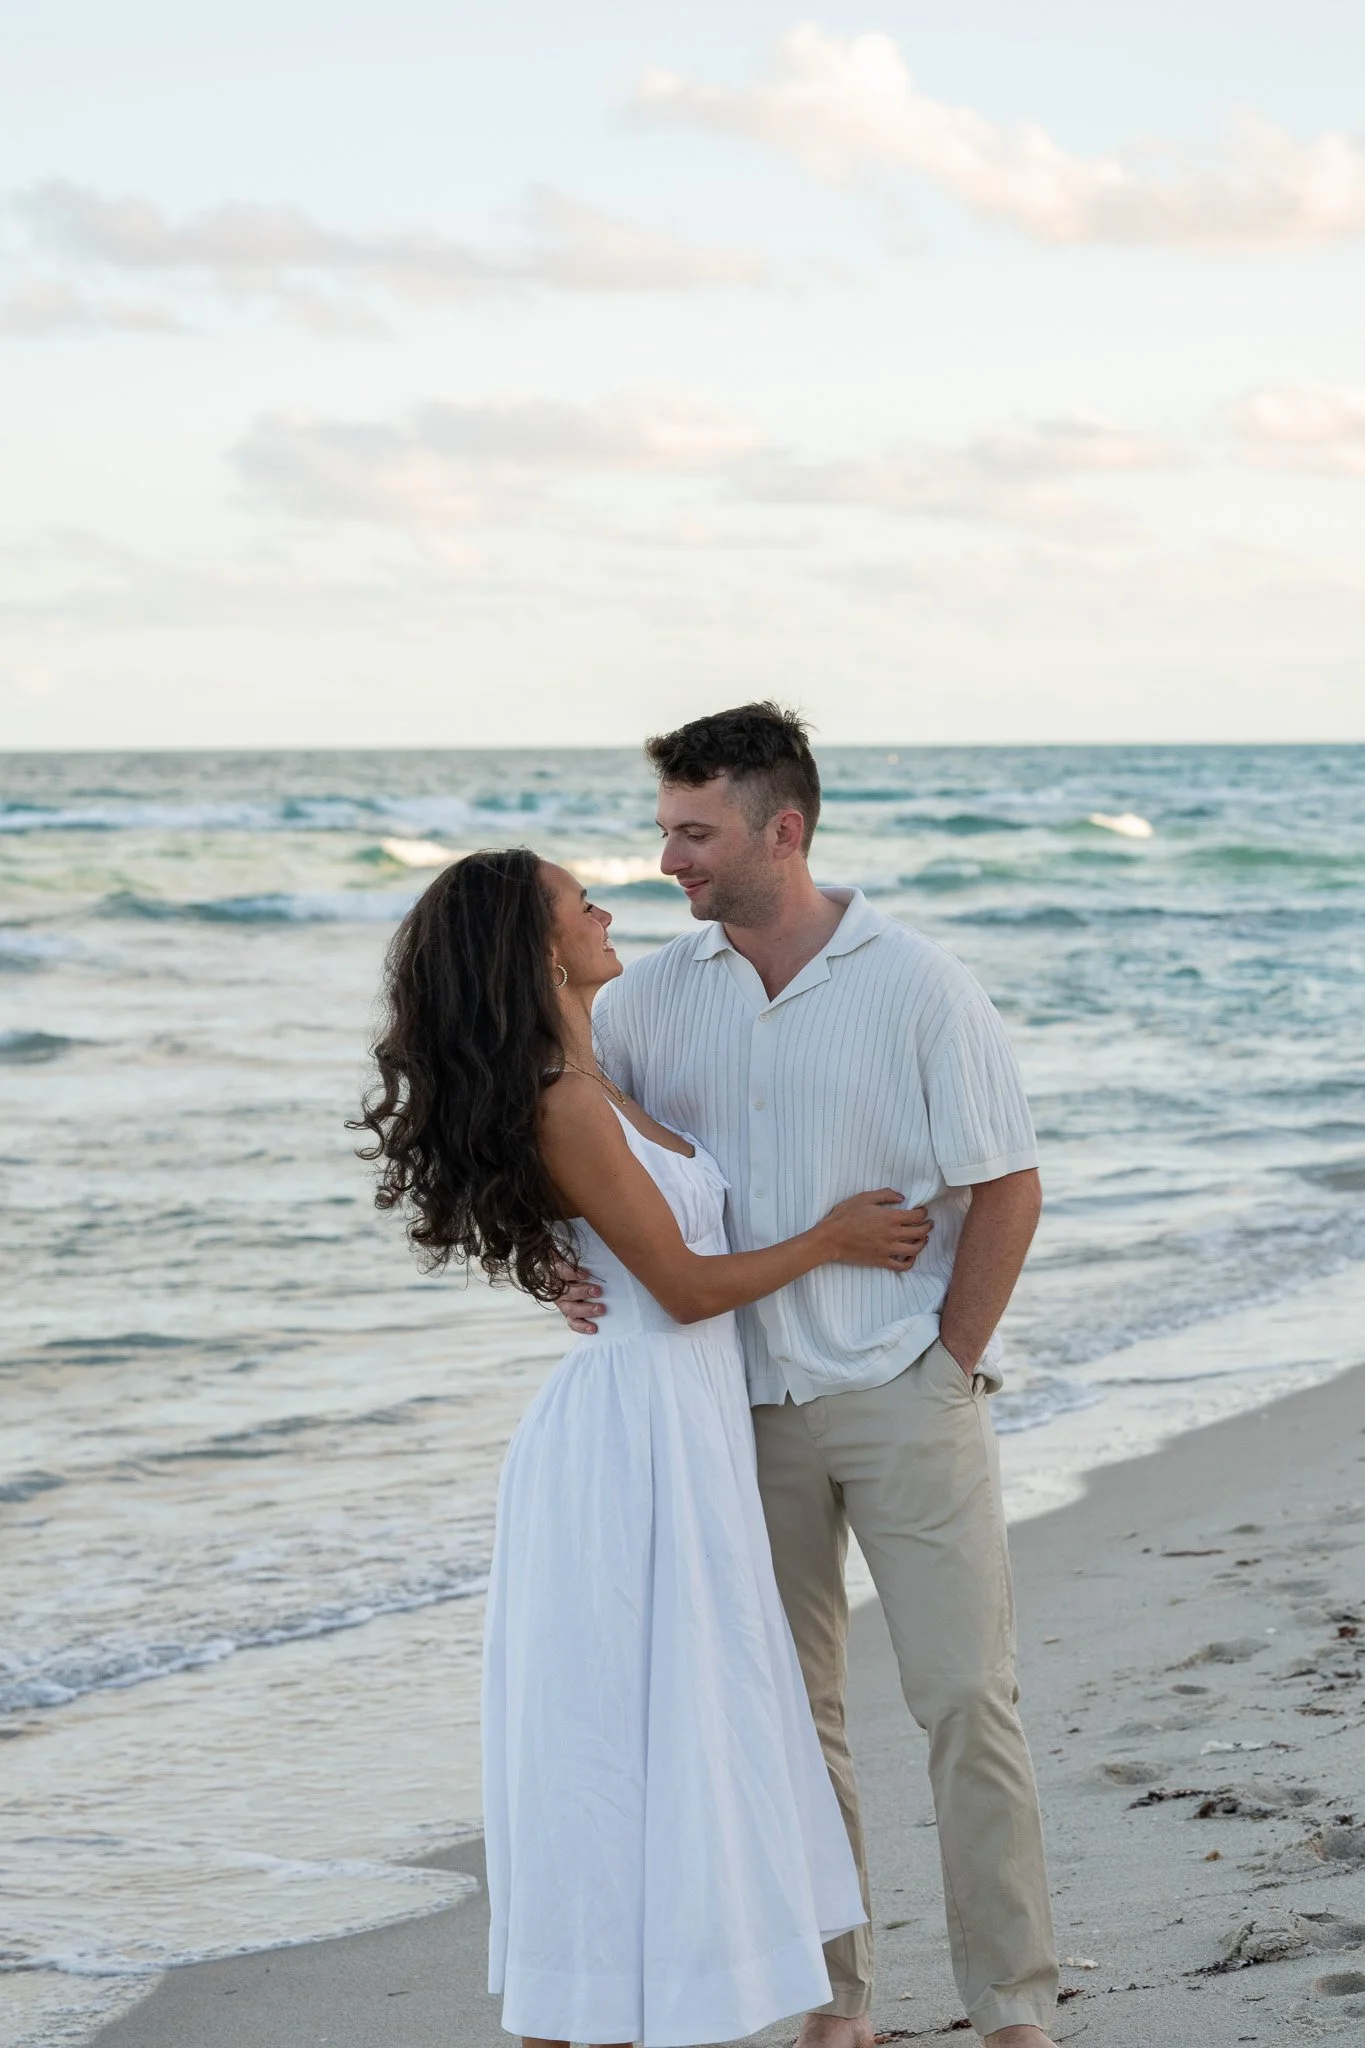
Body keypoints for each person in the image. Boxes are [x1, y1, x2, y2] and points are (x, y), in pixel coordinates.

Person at [353, 845, 941, 2048]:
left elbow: (617, 1251)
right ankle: (576, 2022)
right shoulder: (565, 1095)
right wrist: (830, 1238)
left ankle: (655, 2012)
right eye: (583, 903)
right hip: (627, 1449)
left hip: (677, 1433)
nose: (608, 908)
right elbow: (677, 1286)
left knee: (672, 1727)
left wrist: (572, 1271)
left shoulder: (594, 1073)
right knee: (611, 1741)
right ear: (540, 948)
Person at [555, 703, 1060, 2048]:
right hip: (732, 1414)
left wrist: (950, 1361)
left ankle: (1012, 2009)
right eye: (666, 830)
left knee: (964, 1699)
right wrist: (546, 1263)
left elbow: (1006, 1187)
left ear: (783, 829)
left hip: (903, 1391)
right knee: (789, 1724)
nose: (670, 860)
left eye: (694, 832)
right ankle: (837, 2007)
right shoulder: (652, 998)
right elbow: (568, 1155)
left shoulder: (918, 984)